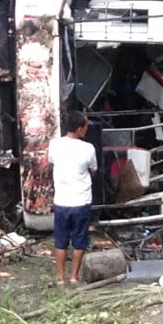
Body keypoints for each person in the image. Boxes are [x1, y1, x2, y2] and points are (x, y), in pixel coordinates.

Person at [48, 111, 98, 285]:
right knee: (79, 241)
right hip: (81, 201)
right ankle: (74, 276)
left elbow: (52, 162)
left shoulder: (54, 145)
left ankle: (60, 278)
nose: (86, 129)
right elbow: (93, 170)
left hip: (61, 201)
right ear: (79, 129)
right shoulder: (88, 148)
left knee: (60, 241)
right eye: (85, 126)